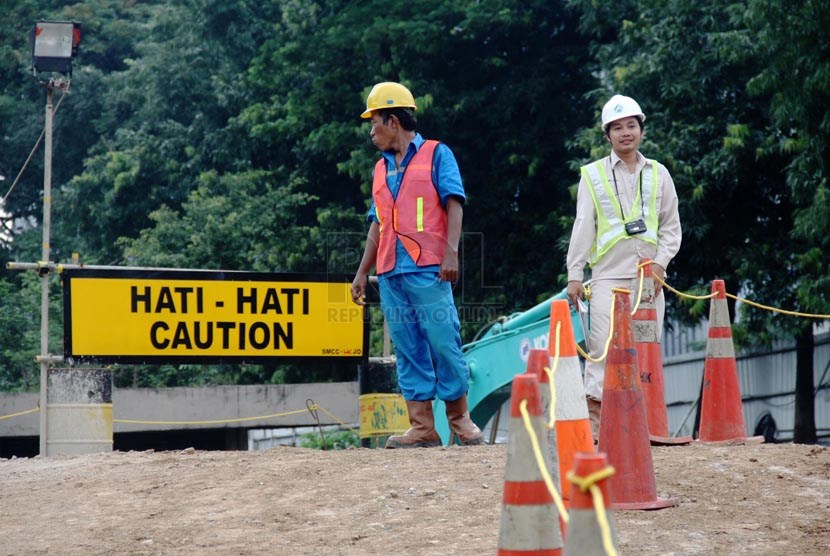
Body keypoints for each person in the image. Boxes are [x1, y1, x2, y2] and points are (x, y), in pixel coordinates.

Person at [350, 82, 483, 448]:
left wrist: (451, 253)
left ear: (393, 121)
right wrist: (363, 273)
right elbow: (377, 223)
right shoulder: (379, 169)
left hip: (428, 267)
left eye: (374, 122)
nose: (371, 131)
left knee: (443, 342)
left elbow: (454, 203)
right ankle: (423, 428)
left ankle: (460, 420)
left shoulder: (437, 154)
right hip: (391, 272)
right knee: (408, 348)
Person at [566, 94, 682, 440]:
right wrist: (575, 275)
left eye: (631, 125)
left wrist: (661, 265)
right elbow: (583, 226)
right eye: (618, 128)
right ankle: (598, 426)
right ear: (608, 135)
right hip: (607, 278)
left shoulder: (659, 174)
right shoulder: (593, 175)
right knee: (602, 347)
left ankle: (644, 426)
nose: (625, 133)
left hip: (649, 280)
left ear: (641, 130)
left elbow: (671, 227)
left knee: (645, 348)